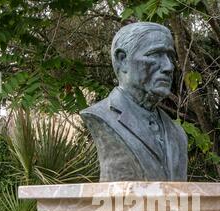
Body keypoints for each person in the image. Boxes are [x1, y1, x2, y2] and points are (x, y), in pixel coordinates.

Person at [80, 22, 188, 181]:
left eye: (170, 57)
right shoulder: (100, 117)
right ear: (122, 60)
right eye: (155, 54)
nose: (168, 66)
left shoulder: (177, 134)